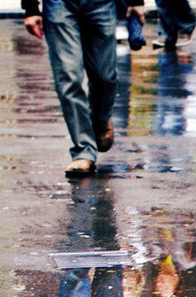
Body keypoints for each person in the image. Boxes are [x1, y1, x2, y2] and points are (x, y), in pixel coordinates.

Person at [22, 0, 145, 177]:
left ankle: (100, 121)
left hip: (101, 4)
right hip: (59, 4)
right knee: (68, 77)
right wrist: (30, 8)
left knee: (105, 77)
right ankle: (83, 150)